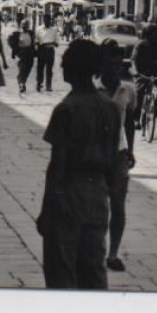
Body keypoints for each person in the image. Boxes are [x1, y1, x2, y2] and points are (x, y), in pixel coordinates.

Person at [36, 39, 121, 290]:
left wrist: (47, 210)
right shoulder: (110, 108)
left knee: (61, 271)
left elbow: (57, 167)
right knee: (93, 271)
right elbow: (114, 163)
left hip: (68, 194)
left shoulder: (67, 109)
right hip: (97, 196)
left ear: (72, 68)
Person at [97, 41, 136, 273]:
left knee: (118, 205)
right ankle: (97, 248)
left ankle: (113, 253)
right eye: (108, 62)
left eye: (116, 62)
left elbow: (130, 122)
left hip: (119, 154)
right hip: (95, 155)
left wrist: (131, 150)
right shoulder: (93, 89)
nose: (113, 68)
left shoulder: (128, 90)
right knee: (97, 205)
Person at [133, 23, 157, 114]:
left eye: (156, 33)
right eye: (154, 33)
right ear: (148, 34)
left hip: (155, 72)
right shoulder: (140, 45)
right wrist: (135, 71)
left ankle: (156, 104)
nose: (156, 35)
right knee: (139, 93)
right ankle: (136, 118)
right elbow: (133, 60)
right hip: (142, 72)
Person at [35, 15, 60, 92]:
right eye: (46, 20)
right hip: (41, 50)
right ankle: (39, 83)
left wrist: (53, 43)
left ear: (51, 20)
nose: (47, 22)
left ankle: (48, 86)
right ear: (43, 20)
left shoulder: (54, 30)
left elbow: (57, 42)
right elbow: (36, 40)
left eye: (48, 20)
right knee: (40, 69)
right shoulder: (39, 29)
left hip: (50, 51)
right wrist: (39, 44)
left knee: (49, 70)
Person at [15, 20, 37, 94]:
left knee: (28, 69)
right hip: (21, 53)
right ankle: (21, 83)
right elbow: (12, 43)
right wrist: (16, 51)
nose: (25, 27)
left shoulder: (31, 33)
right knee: (22, 69)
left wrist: (35, 52)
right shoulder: (17, 34)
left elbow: (33, 42)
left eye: (26, 25)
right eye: (23, 25)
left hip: (29, 53)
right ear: (21, 25)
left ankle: (22, 81)